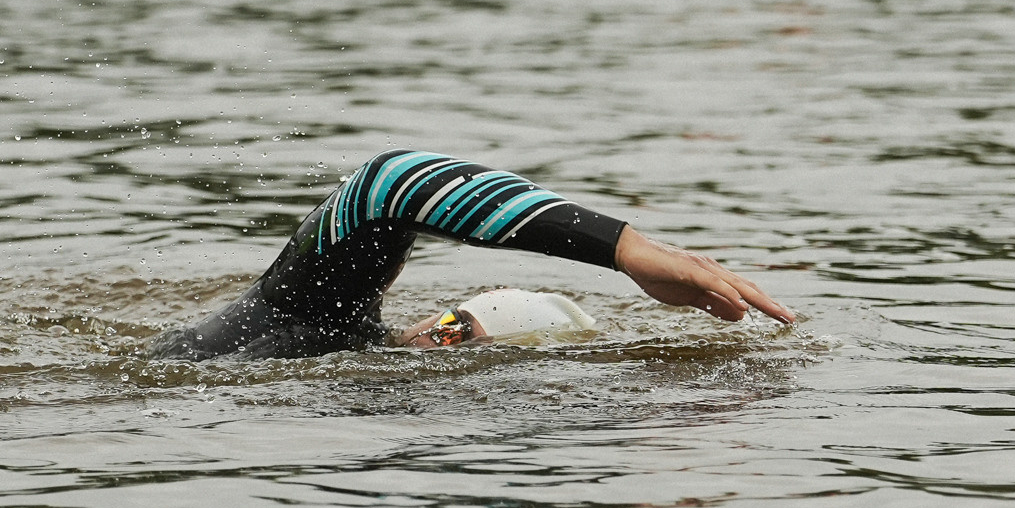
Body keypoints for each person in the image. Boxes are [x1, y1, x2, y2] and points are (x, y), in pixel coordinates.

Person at [147, 150, 796, 360]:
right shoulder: (311, 319)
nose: (444, 338)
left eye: (463, 335)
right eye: (456, 322)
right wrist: (626, 249)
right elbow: (392, 180)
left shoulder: (347, 353)